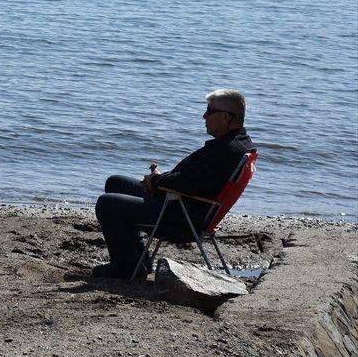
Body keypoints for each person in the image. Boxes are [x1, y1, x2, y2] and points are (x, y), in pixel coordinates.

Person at [92, 89, 257, 278]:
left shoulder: (226, 151)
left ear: (225, 117)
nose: (204, 115)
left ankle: (125, 267)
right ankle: (138, 261)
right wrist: (159, 180)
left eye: (209, 111)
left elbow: (189, 183)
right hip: (180, 204)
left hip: (180, 218)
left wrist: (156, 181)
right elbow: (194, 179)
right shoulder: (239, 143)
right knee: (116, 183)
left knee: (107, 203)